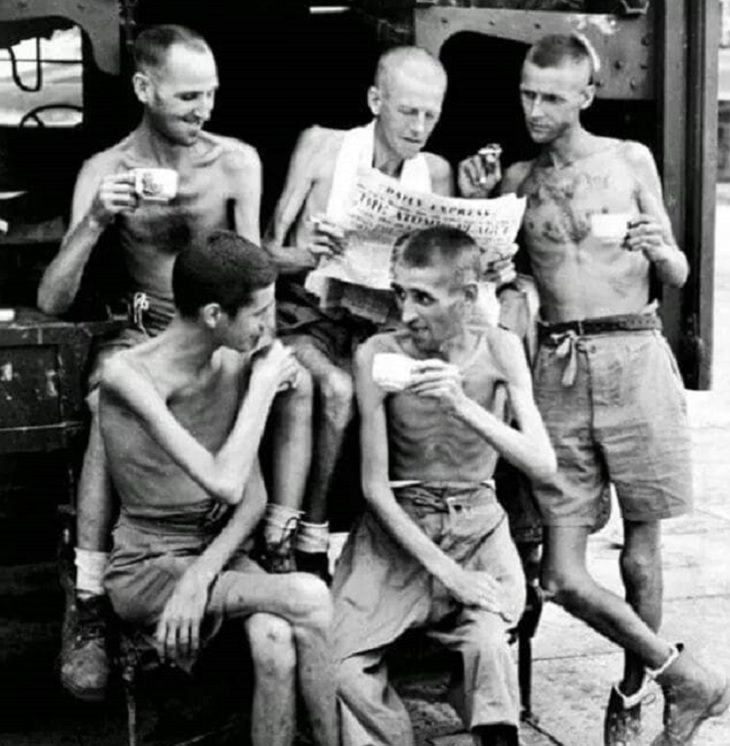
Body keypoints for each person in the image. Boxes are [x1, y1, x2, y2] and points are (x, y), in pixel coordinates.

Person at [458, 33, 730, 746]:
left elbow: (676, 272)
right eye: (527, 93)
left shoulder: (629, 159)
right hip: (560, 364)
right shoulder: (517, 179)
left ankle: (636, 689)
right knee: (560, 573)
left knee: (642, 554)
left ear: (586, 94)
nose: (537, 109)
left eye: (552, 96)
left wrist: (658, 248)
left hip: (636, 353)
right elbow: (485, 271)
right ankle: (683, 675)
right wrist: (474, 197)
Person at [37, 25, 311, 701]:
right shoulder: (105, 171)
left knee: (304, 386)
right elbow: (52, 300)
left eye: (211, 95)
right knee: (109, 397)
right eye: (189, 96)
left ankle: (281, 537)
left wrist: (269, 339)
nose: (204, 110)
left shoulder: (236, 161)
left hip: (222, 326)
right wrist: (97, 220)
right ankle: (92, 591)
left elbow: (252, 278)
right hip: (141, 331)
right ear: (143, 89)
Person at [98, 230, 336, 746]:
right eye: (259, 313)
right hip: (147, 565)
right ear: (212, 315)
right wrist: (263, 387)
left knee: (274, 637)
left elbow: (250, 499)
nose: (269, 327)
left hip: (214, 555)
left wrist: (198, 580)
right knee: (312, 596)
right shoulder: (128, 375)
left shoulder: (228, 362)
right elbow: (224, 483)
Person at [333, 226, 557, 746]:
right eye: (402, 294)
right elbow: (375, 488)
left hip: (477, 520)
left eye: (424, 298)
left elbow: (542, 464)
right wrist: (449, 576)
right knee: (340, 669)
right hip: (399, 525)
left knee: (490, 648)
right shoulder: (378, 354)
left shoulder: (500, 349)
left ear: (468, 297)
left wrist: (462, 404)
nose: (408, 312)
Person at [263, 46, 456, 578]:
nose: (420, 127)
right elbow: (264, 255)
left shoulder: (433, 173)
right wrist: (313, 254)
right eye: (407, 111)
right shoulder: (322, 148)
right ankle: (311, 535)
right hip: (309, 320)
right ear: (376, 100)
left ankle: (420, 539)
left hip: (382, 328)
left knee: (437, 390)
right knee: (340, 390)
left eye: (431, 114)